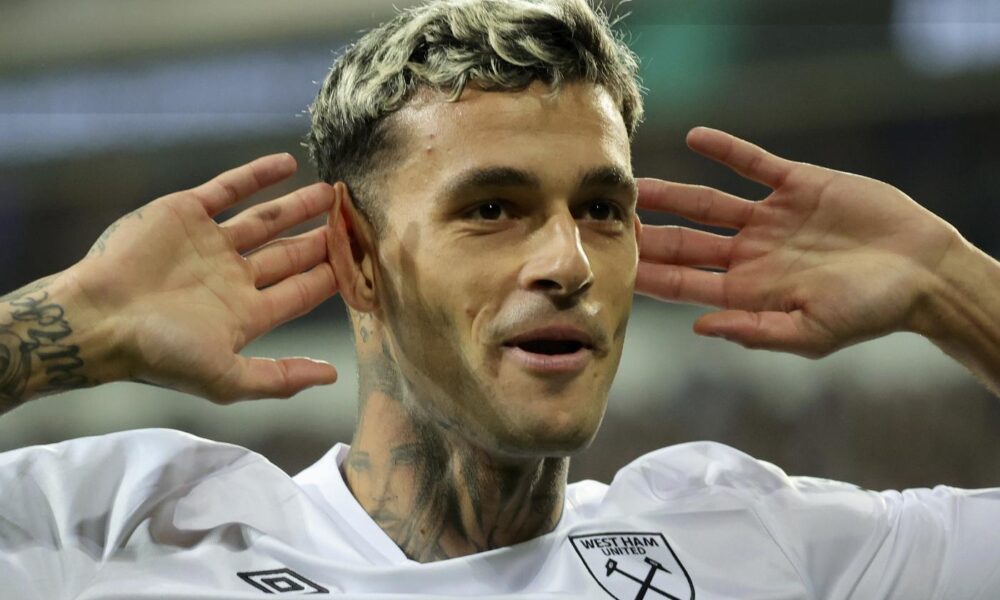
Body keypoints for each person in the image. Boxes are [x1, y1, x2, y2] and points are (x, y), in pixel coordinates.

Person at [1, 0, 998, 597]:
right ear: (357, 255)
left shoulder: (747, 539)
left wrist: (949, 286)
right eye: (492, 209)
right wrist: (60, 332)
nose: (570, 262)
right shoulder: (122, 531)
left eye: (602, 209)